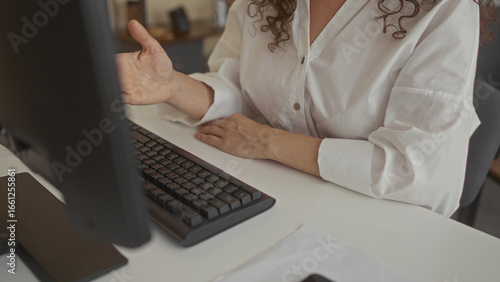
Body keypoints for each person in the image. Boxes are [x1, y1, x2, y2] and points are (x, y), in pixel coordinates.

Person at [115, 0, 497, 217]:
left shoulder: (444, 9)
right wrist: (171, 86)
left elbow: (418, 171)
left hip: (380, 219)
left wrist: (268, 142)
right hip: (278, 198)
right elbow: (238, 88)